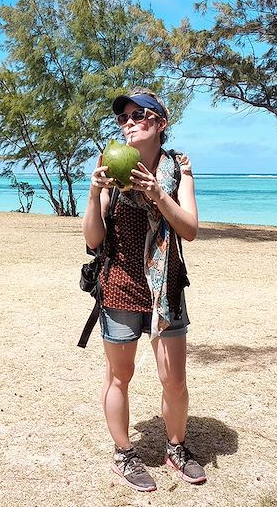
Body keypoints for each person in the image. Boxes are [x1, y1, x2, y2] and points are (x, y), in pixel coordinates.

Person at [81, 87, 205, 491]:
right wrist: (95, 190)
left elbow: (189, 230)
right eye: (124, 118)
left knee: (174, 379)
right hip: (119, 287)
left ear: (160, 123)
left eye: (139, 116)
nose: (129, 124)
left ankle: (176, 448)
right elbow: (94, 240)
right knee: (121, 375)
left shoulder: (178, 169)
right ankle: (124, 453)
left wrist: (157, 193)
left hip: (166, 289)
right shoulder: (110, 166)